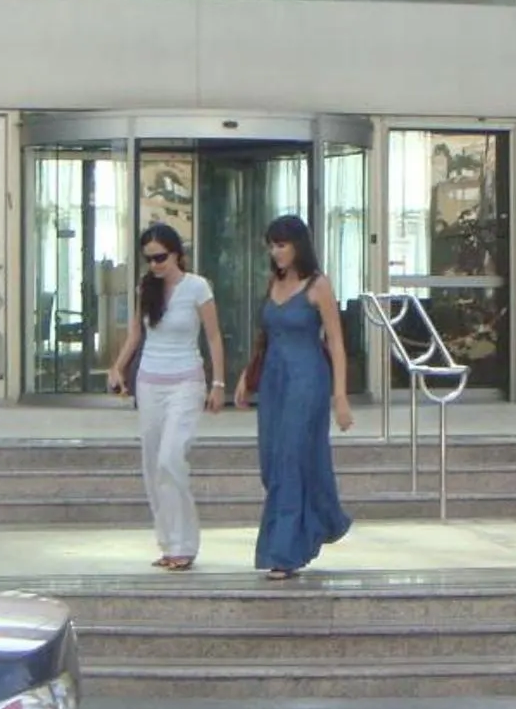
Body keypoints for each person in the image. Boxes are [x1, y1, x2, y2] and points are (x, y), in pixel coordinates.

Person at [234, 213, 353, 580]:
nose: (276, 251)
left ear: (298, 245)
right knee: (272, 462)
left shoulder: (318, 286)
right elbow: (265, 336)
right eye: (272, 245)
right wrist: (244, 378)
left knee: (290, 458)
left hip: (307, 381)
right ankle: (322, 519)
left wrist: (340, 396)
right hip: (273, 381)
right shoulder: (274, 282)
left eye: (282, 244)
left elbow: (335, 342)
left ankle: (282, 552)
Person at [105, 222, 225, 572]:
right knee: (152, 463)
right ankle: (169, 542)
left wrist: (218, 384)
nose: (155, 265)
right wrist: (117, 367)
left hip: (186, 380)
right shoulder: (147, 289)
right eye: (149, 259)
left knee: (171, 459)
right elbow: (134, 336)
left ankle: (185, 543)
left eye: (161, 257)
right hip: (149, 382)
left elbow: (214, 337)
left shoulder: (198, 287)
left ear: (177, 255)